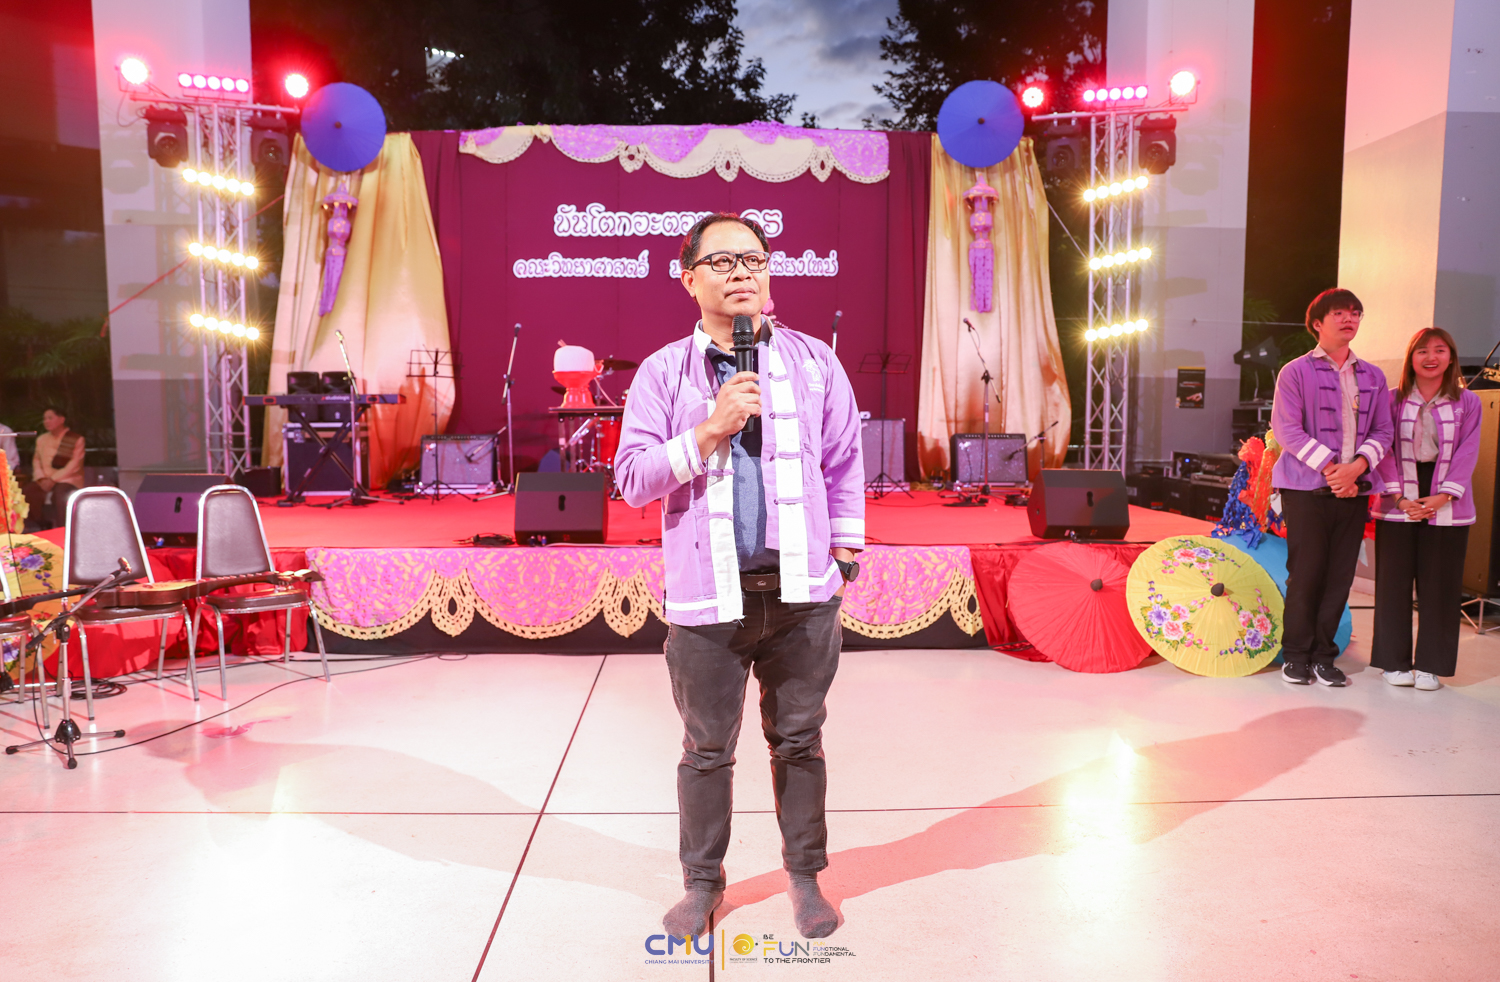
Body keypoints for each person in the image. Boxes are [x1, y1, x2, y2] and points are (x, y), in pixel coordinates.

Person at [614, 213, 864, 941]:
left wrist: (843, 551)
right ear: (688, 278)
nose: (742, 273)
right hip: (708, 599)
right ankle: (702, 884)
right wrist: (709, 429)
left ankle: (805, 877)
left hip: (801, 597)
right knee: (706, 750)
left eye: (754, 259)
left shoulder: (815, 362)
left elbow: (844, 458)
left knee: (800, 741)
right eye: (722, 262)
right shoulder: (662, 372)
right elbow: (632, 480)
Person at [1270, 289, 1393, 686]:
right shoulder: (1295, 372)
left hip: (1354, 488)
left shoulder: (1373, 376)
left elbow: (1384, 430)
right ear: (1317, 323)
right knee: (1305, 573)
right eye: (1339, 313)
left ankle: (1325, 657)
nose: (1349, 319)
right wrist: (1333, 468)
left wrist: (1356, 469)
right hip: (1305, 488)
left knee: (1340, 576)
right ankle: (1296, 656)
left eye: (1355, 313)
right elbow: (1286, 429)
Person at [1369, 328, 1480, 690]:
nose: (1431, 357)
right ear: (1411, 358)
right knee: (1393, 584)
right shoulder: (1390, 399)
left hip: (1448, 497)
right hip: (1398, 490)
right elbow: (1383, 449)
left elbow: (1468, 451)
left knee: (1441, 586)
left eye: (1439, 350)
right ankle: (1393, 662)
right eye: (1422, 351)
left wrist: (1443, 496)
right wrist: (1400, 498)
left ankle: (1431, 665)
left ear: (1451, 357)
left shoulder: (1468, 402)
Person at [22, 406, 85, 530]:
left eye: (50, 418)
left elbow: (74, 464)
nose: (46, 421)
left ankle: (64, 530)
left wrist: (53, 479)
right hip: (44, 479)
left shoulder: (75, 439)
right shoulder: (41, 439)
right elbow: (36, 460)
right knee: (27, 492)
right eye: (44, 419)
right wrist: (41, 478)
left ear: (62, 419)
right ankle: (41, 525)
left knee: (60, 495)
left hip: (67, 479)